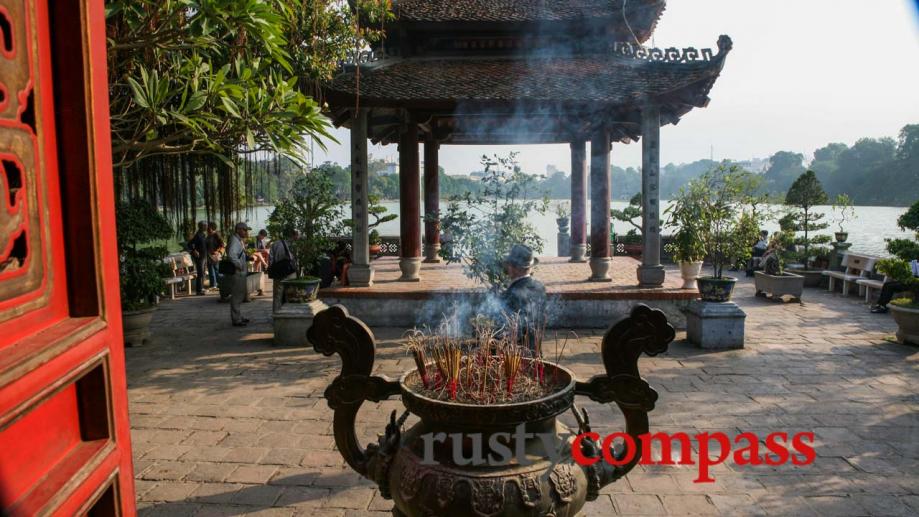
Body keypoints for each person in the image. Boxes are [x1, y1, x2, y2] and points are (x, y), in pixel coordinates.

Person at [500, 244, 547, 353]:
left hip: (517, 356)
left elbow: (506, 331)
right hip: (536, 349)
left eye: (509, 265)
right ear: (530, 268)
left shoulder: (512, 294)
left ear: (513, 268)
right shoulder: (540, 287)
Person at [269, 229, 299, 313]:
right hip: (290, 273)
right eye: (297, 235)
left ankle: (276, 316)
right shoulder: (294, 245)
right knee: (290, 295)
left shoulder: (275, 244)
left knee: (277, 296)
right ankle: (288, 314)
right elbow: (296, 261)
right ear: (293, 235)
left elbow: (271, 261)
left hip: (278, 273)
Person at [227, 222, 251, 326]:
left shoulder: (238, 240)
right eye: (244, 230)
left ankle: (238, 316)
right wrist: (240, 265)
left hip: (240, 272)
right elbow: (232, 255)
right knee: (236, 296)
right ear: (238, 230)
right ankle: (236, 319)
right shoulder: (235, 241)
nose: (246, 232)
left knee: (239, 295)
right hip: (237, 272)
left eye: (246, 230)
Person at [190, 221, 208, 295]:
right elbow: (190, 244)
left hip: (204, 256)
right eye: (205, 226)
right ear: (201, 226)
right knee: (200, 273)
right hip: (199, 257)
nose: (206, 227)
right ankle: (198, 291)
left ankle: (201, 288)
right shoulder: (197, 235)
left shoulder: (203, 234)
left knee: (203, 273)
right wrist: (194, 251)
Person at [205, 221, 225, 290]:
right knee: (211, 270)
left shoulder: (216, 234)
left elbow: (222, 244)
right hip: (209, 256)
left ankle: (222, 283)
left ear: (212, 228)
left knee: (217, 270)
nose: (207, 228)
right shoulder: (208, 235)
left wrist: (218, 252)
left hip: (215, 255)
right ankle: (213, 285)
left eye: (208, 227)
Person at [252, 230, 270, 296]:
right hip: (253, 252)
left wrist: (265, 250)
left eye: (264, 237)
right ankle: (265, 265)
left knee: (268, 252)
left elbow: (264, 248)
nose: (263, 238)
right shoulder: (254, 239)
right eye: (262, 237)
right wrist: (263, 250)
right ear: (259, 234)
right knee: (259, 255)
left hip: (259, 254)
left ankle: (266, 264)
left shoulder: (262, 240)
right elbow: (255, 249)